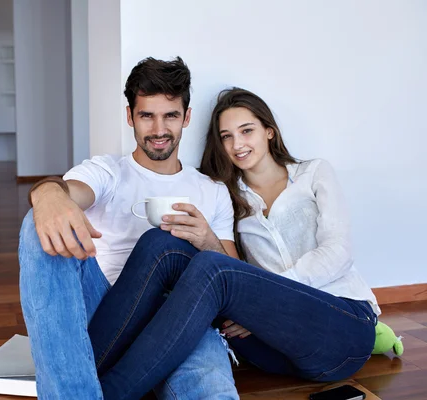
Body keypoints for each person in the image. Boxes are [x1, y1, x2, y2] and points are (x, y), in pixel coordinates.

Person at [87, 87, 381, 400]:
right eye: (226, 136)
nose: (237, 144)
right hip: (274, 349)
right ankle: (81, 372)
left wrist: (267, 299)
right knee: (161, 242)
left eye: (246, 131)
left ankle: (106, 394)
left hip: (343, 328)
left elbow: (339, 252)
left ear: (269, 131)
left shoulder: (313, 173)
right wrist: (255, 305)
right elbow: (234, 272)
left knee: (215, 271)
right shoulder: (226, 194)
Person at [19, 57, 241, 399]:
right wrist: (48, 194)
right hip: (105, 308)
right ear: (129, 117)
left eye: (169, 115)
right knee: (39, 224)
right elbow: (71, 192)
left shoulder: (211, 190)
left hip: (182, 315)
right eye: (146, 115)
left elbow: (235, 280)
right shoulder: (108, 171)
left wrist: (207, 239)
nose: (158, 129)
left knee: (211, 392)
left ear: (187, 117)